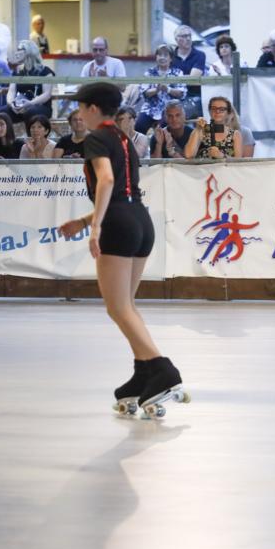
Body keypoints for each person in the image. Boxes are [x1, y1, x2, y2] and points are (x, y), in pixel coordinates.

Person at [57, 82, 188, 418]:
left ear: (92, 108)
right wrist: (84, 221)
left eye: (80, 107)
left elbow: (107, 181)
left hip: (118, 226)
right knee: (126, 306)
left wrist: (96, 227)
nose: (78, 114)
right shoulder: (124, 139)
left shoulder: (96, 138)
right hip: (140, 222)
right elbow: (124, 192)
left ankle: (161, 369)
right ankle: (143, 370)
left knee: (117, 307)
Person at [138, 44, 187, 133]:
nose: (162, 57)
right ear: (156, 57)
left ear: (171, 58)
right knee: (139, 125)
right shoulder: (149, 72)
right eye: (159, 55)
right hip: (150, 108)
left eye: (165, 55)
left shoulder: (178, 73)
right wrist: (156, 90)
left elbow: (181, 93)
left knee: (164, 129)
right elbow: (144, 93)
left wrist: (167, 89)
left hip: (170, 109)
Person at [3, 40, 54, 123]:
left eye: (20, 50)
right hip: (21, 105)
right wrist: (11, 103)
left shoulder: (45, 71)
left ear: (29, 52)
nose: (17, 53)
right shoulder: (18, 71)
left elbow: (47, 94)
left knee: (30, 112)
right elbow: (11, 91)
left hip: (41, 106)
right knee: (3, 112)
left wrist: (31, 103)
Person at [171, 25, 206, 119]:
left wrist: (174, 79)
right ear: (176, 39)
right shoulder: (170, 56)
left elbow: (192, 80)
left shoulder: (199, 55)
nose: (188, 39)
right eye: (184, 36)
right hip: (172, 96)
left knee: (177, 113)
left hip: (193, 96)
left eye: (189, 36)